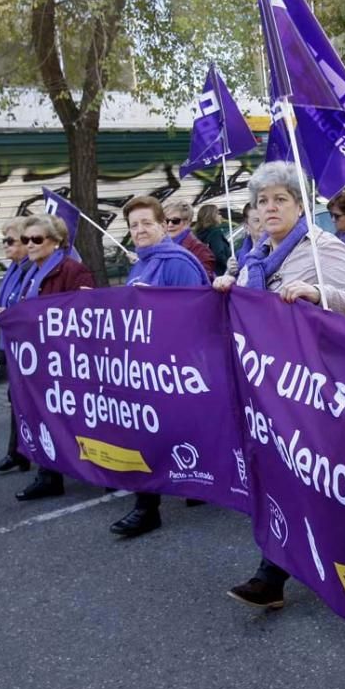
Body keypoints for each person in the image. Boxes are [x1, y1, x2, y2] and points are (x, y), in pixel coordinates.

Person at [216, 161, 345, 606]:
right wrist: (225, 288)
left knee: (318, 479)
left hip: (313, 385)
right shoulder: (251, 256)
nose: (270, 207)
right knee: (279, 472)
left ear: (300, 206)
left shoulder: (325, 249)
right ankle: (272, 575)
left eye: (280, 199)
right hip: (266, 386)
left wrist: (318, 295)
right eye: (262, 201)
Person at [108, 196, 210, 537]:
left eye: (146, 223)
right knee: (149, 432)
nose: (139, 230)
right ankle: (160, 499)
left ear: (162, 224)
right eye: (133, 225)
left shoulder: (178, 262)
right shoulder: (142, 263)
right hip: (145, 367)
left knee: (154, 433)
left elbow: (197, 314)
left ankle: (147, 508)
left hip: (172, 367)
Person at [12, 213, 96, 501]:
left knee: (76, 417)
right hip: (37, 358)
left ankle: (103, 468)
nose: (30, 244)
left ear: (56, 241)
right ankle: (48, 474)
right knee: (42, 415)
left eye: (37, 239)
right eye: (26, 239)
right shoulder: (29, 272)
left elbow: (85, 315)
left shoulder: (73, 270)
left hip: (64, 358)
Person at [0, 217, 33, 475]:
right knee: (15, 400)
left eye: (10, 240)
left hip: (25, 348)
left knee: (24, 402)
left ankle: (22, 453)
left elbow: (27, 307)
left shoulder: (29, 270)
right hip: (10, 344)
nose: (5, 245)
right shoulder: (14, 268)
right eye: (3, 240)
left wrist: (9, 314)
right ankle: (17, 452)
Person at [163, 200, 216, 279]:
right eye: (166, 221)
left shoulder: (200, 251)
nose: (170, 225)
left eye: (175, 221)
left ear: (187, 222)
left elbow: (203, 282)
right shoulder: (160, 246)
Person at [193, 203, 232, 276]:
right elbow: (218, 254)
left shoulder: (197, 233)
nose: (220, 216)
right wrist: (229, 265)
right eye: (218, 213)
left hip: (204, 272)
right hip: (219, 273)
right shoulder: (215, 233)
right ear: (211, 216)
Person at [228, 203, 262, 277]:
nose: (263, 224)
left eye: (265, 219)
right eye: (257, 220)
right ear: (246, 227)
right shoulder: (237, 256)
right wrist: (229, 274)